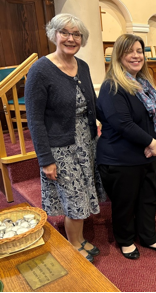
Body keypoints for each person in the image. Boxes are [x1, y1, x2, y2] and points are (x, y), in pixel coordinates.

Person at [25, 13, 105, 263]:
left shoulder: (83, 65)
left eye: (76, 34)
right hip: (61, 147)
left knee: (83, 192)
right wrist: (45, 159)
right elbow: (35, 119)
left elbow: (90, 101)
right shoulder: (40, 70)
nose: (71, 38)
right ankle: (74, 245)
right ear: (54, 35)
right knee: (75, 198)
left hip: (86, 141)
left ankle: (80, 239)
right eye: (65, 33)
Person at [96, 34, 156, 260]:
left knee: (149, 197)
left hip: (147, 154)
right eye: (130, 51)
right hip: (121, 159)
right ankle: (126, 240)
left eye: (139, 51)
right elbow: (123, 124)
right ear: (118, 55)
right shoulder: (112, 86)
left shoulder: (144, 83)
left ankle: (147, 236)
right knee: (125, 203)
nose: (136, 56)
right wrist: (151, 143)